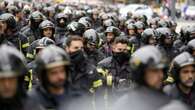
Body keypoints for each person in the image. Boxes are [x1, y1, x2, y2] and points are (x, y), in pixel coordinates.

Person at [113, 46, 190, 110]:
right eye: (154, 71)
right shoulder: (123, 105)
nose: (161, 75)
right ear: (140, 73)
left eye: (162, 71)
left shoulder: (173, 100)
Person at [28, 45, 74, 110]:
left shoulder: (77, 96)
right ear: (43, 75)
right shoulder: (31, 101)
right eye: (53, 73)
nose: (60, 76)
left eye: (62, 71)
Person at [0, 44, 44, 110]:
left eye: (11, 79)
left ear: (19, 80)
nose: (7, 85)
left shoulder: (33, 106)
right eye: (2, 80)